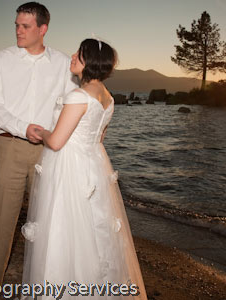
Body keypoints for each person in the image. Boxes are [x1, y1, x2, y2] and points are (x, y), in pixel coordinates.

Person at [21, 39, 147, 299]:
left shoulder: (78, 96)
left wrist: (40, 131)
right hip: (93, 168)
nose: (73, 56)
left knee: (64, 231)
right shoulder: (107, 98)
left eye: (79, 53)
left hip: (69, 170)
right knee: (94, 232)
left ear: (89, 61)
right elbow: (98, 139)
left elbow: (56, 142)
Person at [0, 1, 77, 288]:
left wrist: (55, 134)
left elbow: (70, 105)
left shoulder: (62, 64)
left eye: (25, 26)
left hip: (49, 152)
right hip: (9, 147)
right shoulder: (0, 60)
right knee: (1, 218)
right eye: (16, 25)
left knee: (48, 219)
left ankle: (46, 281)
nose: (18, 31)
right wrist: (23, 128)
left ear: (42, 29)